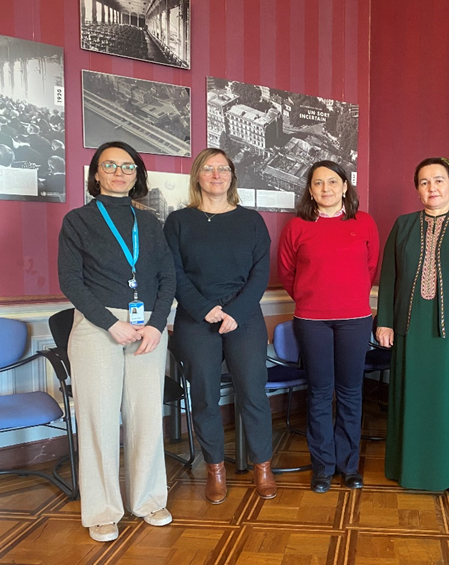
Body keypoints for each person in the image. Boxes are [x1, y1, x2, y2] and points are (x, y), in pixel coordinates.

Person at [58, 141, 176, 543]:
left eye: (128, 166)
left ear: (136, 174)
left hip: (148, 329)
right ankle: (103, 510)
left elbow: (167, 278)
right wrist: (111, 323)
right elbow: (70, 281)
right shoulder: (78, 221)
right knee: (99, 421)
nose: (119, 172)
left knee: (147, 417)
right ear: (96, 174)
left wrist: (157, 325)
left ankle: (148, 499)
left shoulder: (151, 222)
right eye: (110, 165)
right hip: (98, 327)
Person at [164, 148, 275, 504]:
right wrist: (204, 309)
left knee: (254, 393)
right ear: (197, 175)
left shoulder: (252, 221)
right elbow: (173, 273)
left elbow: (260, 274)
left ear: (232, 176)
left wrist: (234, 312)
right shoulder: (178, 221)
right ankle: (215, 469)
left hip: (244, 317)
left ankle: (263, 466)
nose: (216, 175)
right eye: (209, 169)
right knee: (205, 397)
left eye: (223, 169)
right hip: (196, 319)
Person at [376, 157, 449, 495]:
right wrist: (385, 322)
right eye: (424, 182)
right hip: (410, 327)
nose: (432, 188)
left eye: (439, 180)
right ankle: (408, 468)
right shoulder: (403, 225)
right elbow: (389, 277)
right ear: (417, 190)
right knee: (413, 398)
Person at [278, 160, 379, 494]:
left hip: (355, 319)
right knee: (320, 393)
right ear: (310, 190)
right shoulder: (297, 227)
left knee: (350, 392)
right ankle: (322, 467)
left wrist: (349, 297)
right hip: (312, 321)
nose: (326, 188)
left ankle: (348, 466)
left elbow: (371, 267)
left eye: (333, 182)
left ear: (345, 186)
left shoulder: (364, 222)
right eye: (318, 183)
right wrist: (311, 298)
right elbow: (287, 273)